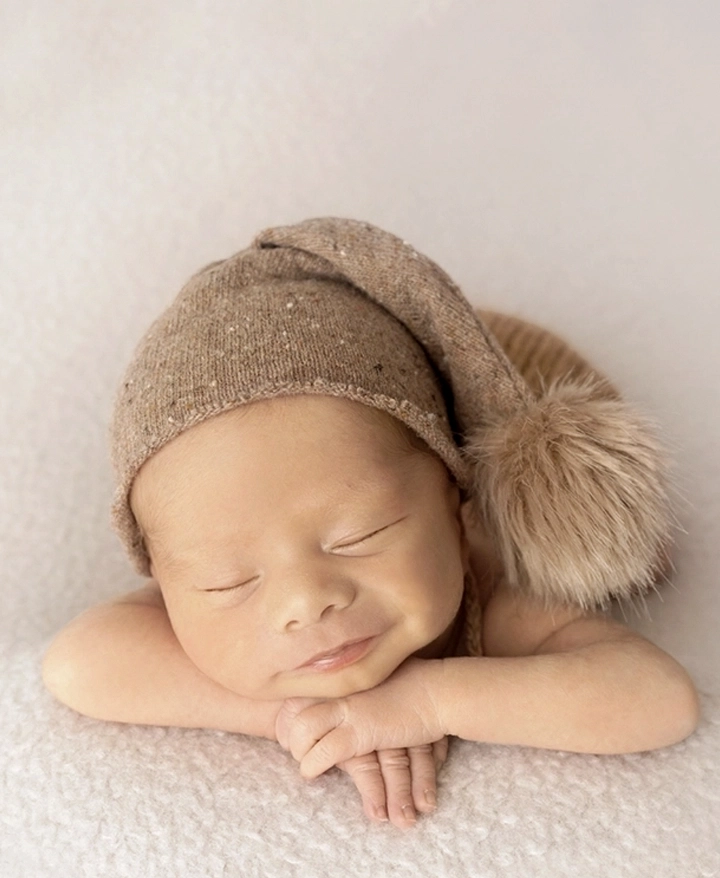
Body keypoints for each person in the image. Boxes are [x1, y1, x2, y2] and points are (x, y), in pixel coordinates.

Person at [41, 217, 700, 830]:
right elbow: (78, 661)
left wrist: (428, 701)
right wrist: (306, 719)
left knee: (602, 530)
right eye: (228, 581)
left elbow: (659, 698)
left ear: (452, 500)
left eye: (356, 538)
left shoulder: (487, 590)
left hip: (515, 391)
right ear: (165, 578)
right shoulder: (222, 529)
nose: (305, 599)